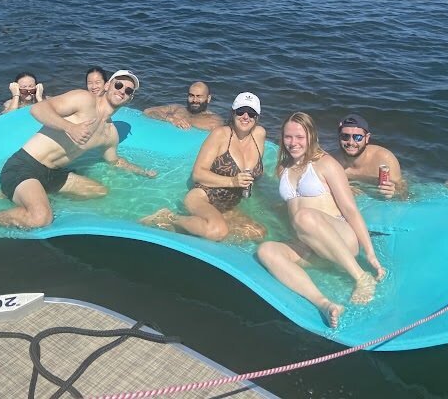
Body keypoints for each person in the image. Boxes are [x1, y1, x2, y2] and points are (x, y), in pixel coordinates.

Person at [0, 70, 157, 246]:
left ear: (129, 98)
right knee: (41, 218)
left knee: (99, 192)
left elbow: (114, 160)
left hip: (52, 174)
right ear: (108, 85)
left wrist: (142, 171)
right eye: (119, 84)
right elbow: (39, 110)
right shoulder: (83, 99)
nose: (122, 91)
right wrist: (70, 127)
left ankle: (24, 196)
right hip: (24, 165)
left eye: (128, 91)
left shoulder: (110, 134)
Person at [257, 112, 386, 329]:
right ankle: (324, 304)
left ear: (311, 136)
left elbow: (350, 210)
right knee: (266, 250)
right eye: (288, 137)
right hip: (312, 245)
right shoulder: (283, 168)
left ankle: (361, 277)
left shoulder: (326, 164)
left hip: (340, 238)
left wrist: (370, 254)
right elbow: (293, 203)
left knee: (304, 216)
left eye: (299, 137)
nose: (293, 142)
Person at [141, 92, 266, 242]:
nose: (246, 116)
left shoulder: (259, 134)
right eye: (241, 111)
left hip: (228, 205)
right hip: (204, 196)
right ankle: (169, 217)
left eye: (251, 113)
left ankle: (195, 227)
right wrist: (233, 181)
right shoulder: (221, 134)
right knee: (218, 231)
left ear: (257, 117)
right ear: (233, 113)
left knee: (259, 233)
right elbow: (198, 174)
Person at [335, 114, 406, 199]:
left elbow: (404, 193)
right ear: (339, 137)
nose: (351, 142)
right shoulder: (333, 161)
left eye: (357, 137)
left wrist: (395, 193)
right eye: (345, 136)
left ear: (367, 138)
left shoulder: (384, 159)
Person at [143, 81, 224, 131]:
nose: (194, 100)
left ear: (208, 98)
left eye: (199, 96)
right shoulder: (177, 108)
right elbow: (148, 111)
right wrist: (171, 119)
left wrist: (188, 121)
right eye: (191, 95)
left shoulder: (215, 120)